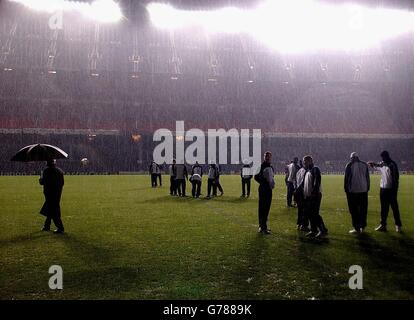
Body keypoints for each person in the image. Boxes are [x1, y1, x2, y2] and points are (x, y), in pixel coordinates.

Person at [368, 151, 402, 232]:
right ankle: (383, 225)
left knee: (394, 208)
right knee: (384, 208)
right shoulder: (383, 163)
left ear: (386, 156)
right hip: (383, 189)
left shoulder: (392, 164)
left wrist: (394, 191)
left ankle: (398, 225)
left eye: (383, 157)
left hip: (391, 189)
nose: (382, 159)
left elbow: (396, 179)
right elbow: (377, 166)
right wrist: (372, 164)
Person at [302, 155, 328, 238]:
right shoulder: (307, 171)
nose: (304, 163)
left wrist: (314, 192)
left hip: (315, 195)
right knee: (310, 213)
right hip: (308, 195)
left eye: (305, 161)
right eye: (304, 161)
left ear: (310, 161)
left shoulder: (315, 169)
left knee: (314, 213)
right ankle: (313, 230)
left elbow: (317, 180)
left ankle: (322, 230)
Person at [344, 152, 370, 234]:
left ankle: (357, 228)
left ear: (352, 158)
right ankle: (363, 227)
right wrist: (367, 188)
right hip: (363, 190)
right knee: (363, 209)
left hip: (353, 191)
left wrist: (346, 189)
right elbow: (367, 177)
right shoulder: (364, 165)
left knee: (354, 210)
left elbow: (346, 178)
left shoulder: (349, 165)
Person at [39, 159, 65, 234]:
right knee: (51, 208)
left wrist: (40, 177)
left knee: (53, 209)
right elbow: (62, 183)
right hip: (57, 193)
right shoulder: (59, 171)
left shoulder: (46, 171)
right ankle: (46, 226)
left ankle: (60, 227)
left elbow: (42, 182)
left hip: (49, 193)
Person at [254, 151, 275, 234]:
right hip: (263, 189)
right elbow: (255, 177)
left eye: (269, 156)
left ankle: (263, 226)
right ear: (264, 157)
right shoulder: (261, 166)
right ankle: (262, 227)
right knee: (263, 208)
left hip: (269, 189)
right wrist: (263, 182)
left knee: (267, 208)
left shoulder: (271, 167)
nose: (267, 158)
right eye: (266, 156)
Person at [294, 164, 308, 231]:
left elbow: (296, 181)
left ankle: (299, 224)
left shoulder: (299, 171)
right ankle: (304, 225)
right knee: (305, 210)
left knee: (300, 210)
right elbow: (304, 183)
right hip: (303, 192)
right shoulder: (306, 171)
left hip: (298, 192)